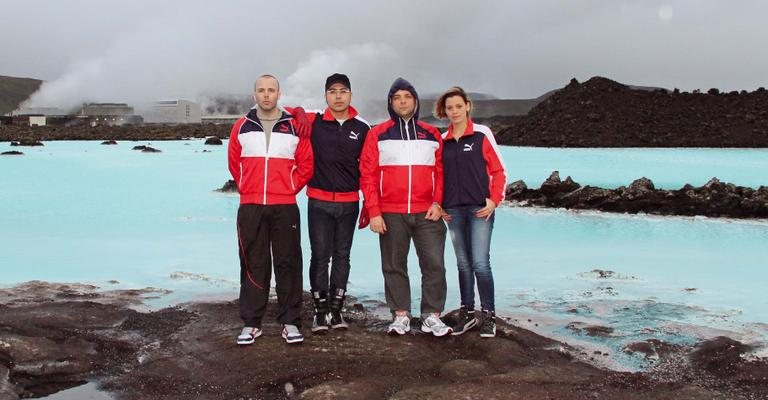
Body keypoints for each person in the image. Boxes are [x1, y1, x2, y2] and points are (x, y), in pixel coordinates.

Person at [359, 77, 452, 337]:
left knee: (434, 264)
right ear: (391, 103)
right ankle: (400, 314)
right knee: (393, 264)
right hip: (390, 211)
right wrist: (374, 211)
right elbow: (367, 175)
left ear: (415, 101)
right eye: (397, 97)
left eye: (407, 97)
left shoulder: (431, 134)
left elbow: (442, 173)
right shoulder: (377, 134)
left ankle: (431, 316)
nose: (402, 101)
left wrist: (438, 202)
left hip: (427, 211)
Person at [228, 74, 313, 345]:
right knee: (254, 263)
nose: (266, 95)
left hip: (284, 206)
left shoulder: (292, 125)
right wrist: (245, 185)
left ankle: (290, 322)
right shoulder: (241, 126)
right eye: (261, 90)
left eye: (271, 90)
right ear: (254, 95)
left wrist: (288, 187)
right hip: (251, 206)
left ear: (279, 94)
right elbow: (234, 162)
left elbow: (306, 164)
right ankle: (252, 323)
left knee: (288, 262)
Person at [288, 73, 371, 334]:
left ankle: (336, 311)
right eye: (332, 91)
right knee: (320, 256)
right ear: (325, 95)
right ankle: (319, 312)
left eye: (343, 91)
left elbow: (369, 169)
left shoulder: (362, 127)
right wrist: (300, 111)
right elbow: (284, 109)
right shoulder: (314, 120)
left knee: (342, 257)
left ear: (350, 94)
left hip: (349, 203)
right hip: (319, 202)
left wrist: (370, 203)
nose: (338, 96)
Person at [434, 86, 507, 337]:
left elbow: (499, 171)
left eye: (458, 106)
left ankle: (489, 315)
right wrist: (439, 203)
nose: (454, 111)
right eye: (449, 107)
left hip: (479, 209)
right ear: (444, 111)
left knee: (479, 263)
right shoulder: (442, 142)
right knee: (463, 264)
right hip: (453, 210)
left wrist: (495, 200)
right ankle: (467, 313)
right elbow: (439, 177)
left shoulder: (481, 134)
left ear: (467, 106)